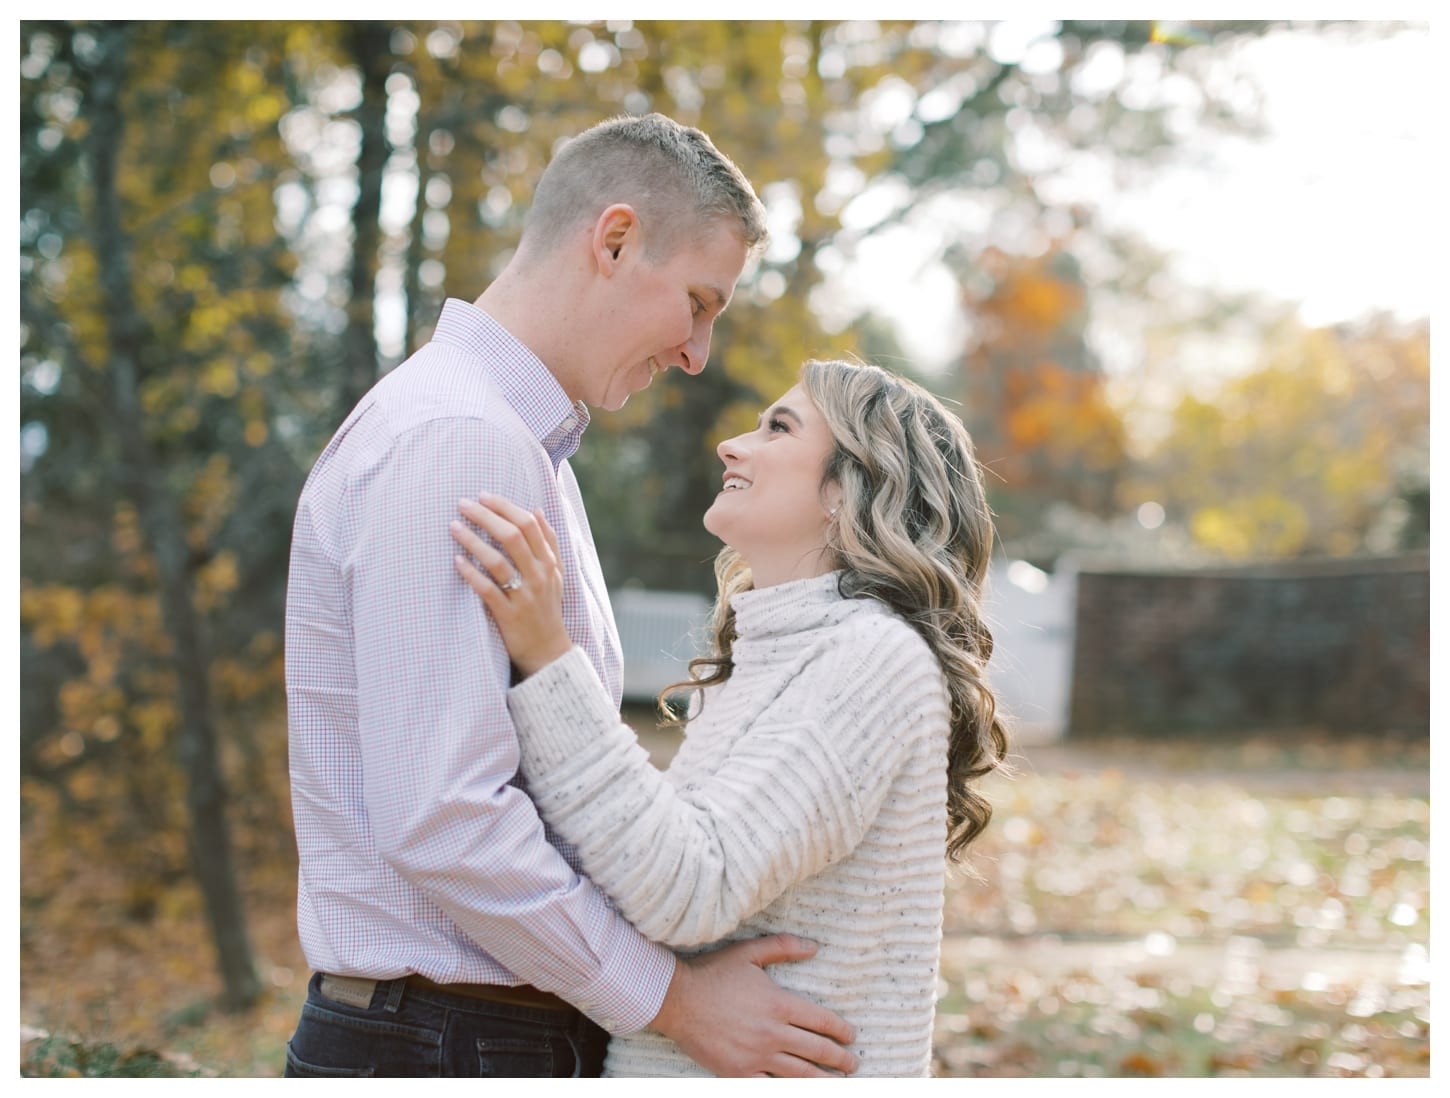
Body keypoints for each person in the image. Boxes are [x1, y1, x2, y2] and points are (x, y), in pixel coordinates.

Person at [283, 114, 860, 1079]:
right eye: (698, 303)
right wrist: (675, 1001)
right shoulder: (461, 440)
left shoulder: (519, 443)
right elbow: (446, 818)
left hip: (462, 1038)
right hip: (451, 1045)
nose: (697, 355)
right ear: (616, 239)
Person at [449, 358, 1011, 1076]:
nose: (733, 445)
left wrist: (548, 657)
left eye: (779, 428)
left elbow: (690, 887)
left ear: (851, 487)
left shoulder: (871, 660)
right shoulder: (776, 654)